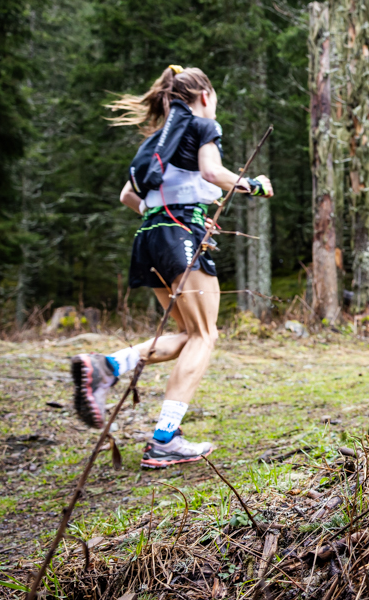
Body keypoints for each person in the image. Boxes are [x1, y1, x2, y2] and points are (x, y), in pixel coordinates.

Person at [70, 65, 273, 469]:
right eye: (212, 99)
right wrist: (254, 184)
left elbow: (128, 195)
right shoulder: (201, 124)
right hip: (178, 234)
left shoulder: (153, 144)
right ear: (204, 96)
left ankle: (108, 366)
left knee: (188, 333)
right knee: (206, 335)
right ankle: (164, 437)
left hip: (150, 236)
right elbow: (212, 171)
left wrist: (177, 213)